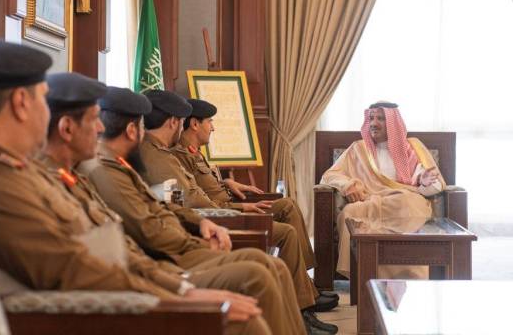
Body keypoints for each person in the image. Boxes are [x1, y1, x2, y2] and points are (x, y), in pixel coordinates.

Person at [0, 39, 267, 335]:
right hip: (89, 314)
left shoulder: (12, 167)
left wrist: (178, 287)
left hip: (116, 293)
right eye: (43, 101)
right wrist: (183, 296)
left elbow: (107, 243)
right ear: (21, 102)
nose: (99, 129)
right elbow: (71, 267)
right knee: (245, 316)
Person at [77, 86, 338, 334]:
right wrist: (194, 243)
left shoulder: (123, 163)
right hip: (170, 258)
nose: (99, 128)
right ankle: (303, 308)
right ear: (132, 130)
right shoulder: (108, 170)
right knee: (260, 272)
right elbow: (150, 228)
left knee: (271, 262)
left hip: (181, 244)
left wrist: (202, 219)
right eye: (92, 122)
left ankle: (305, 302)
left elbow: (164, 205)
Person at [136, 91, 336, 312]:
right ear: (183, 123)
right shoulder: (166, 156)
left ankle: (306, 287)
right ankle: (304, 300)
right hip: (217, 220)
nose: (213, 128)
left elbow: (196, 191)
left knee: (288, 205)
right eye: (210, 122)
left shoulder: (172, 153)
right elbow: (189, 202)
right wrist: (237, 208)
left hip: (216, 215)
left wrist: (227, 183)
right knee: (286, 233)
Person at [320, 102, 445, 278]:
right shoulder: (358, 149)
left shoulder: (412, 148)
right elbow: (330, 175)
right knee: (349, 213)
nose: (373, 123)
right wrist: (347, 184)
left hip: (402, 202)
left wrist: (423, 183)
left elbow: (436, 185)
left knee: (406, 204)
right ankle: (365, 274)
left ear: (393, 123)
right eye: (371, 118)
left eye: (380, 118)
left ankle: (397, 271)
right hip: (370, 202)